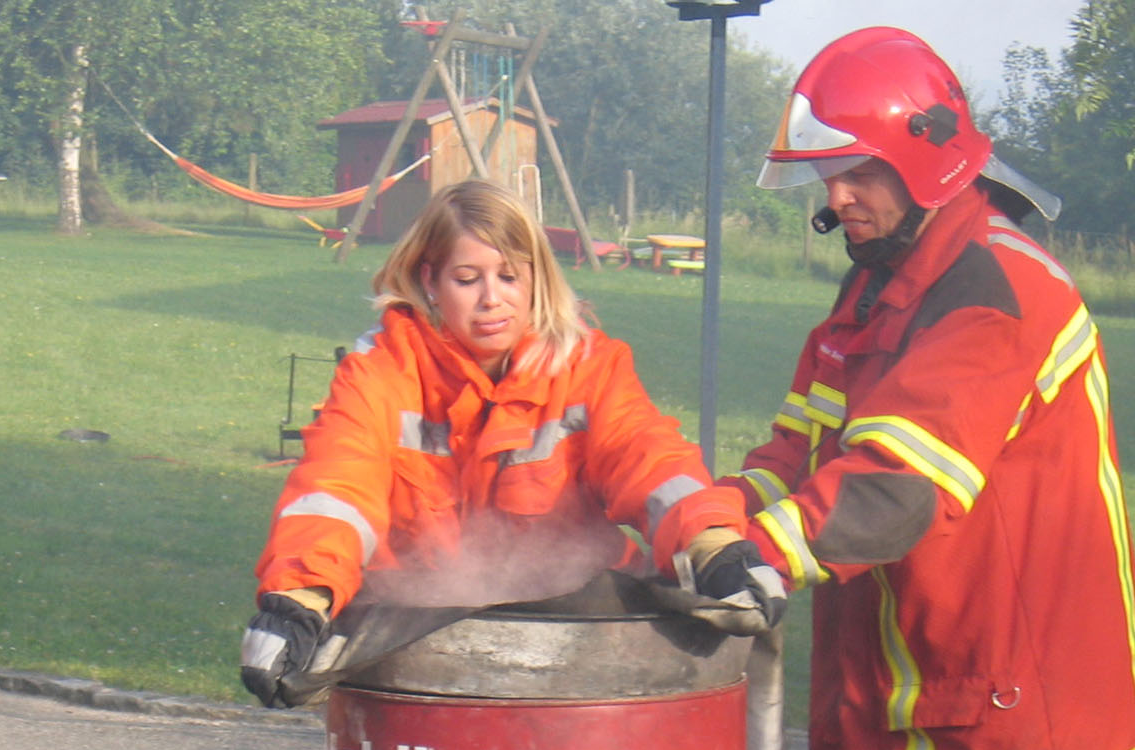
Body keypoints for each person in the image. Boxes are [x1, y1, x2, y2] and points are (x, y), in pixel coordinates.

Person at [721, 28, 1135, 750]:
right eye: (831, 176)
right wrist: (699, 527)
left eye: (859, 170)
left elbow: (893, 487)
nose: (842, 196)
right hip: (947, 726)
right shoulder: (875, 293)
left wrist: (765, 556)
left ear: (924, 155)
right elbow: (796, 452)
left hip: (1032, 742)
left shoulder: (990, 290)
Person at [240, 178, 785, 707]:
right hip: (416, 654)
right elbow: (338, 485)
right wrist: (301, 599)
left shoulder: (587, 367)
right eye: (467, 278)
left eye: (508, 276)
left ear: (537, 279)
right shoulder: (381, 374)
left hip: (585, 647)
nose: (491, 300)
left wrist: (711, 544)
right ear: (429, 280)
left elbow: (647, 458)